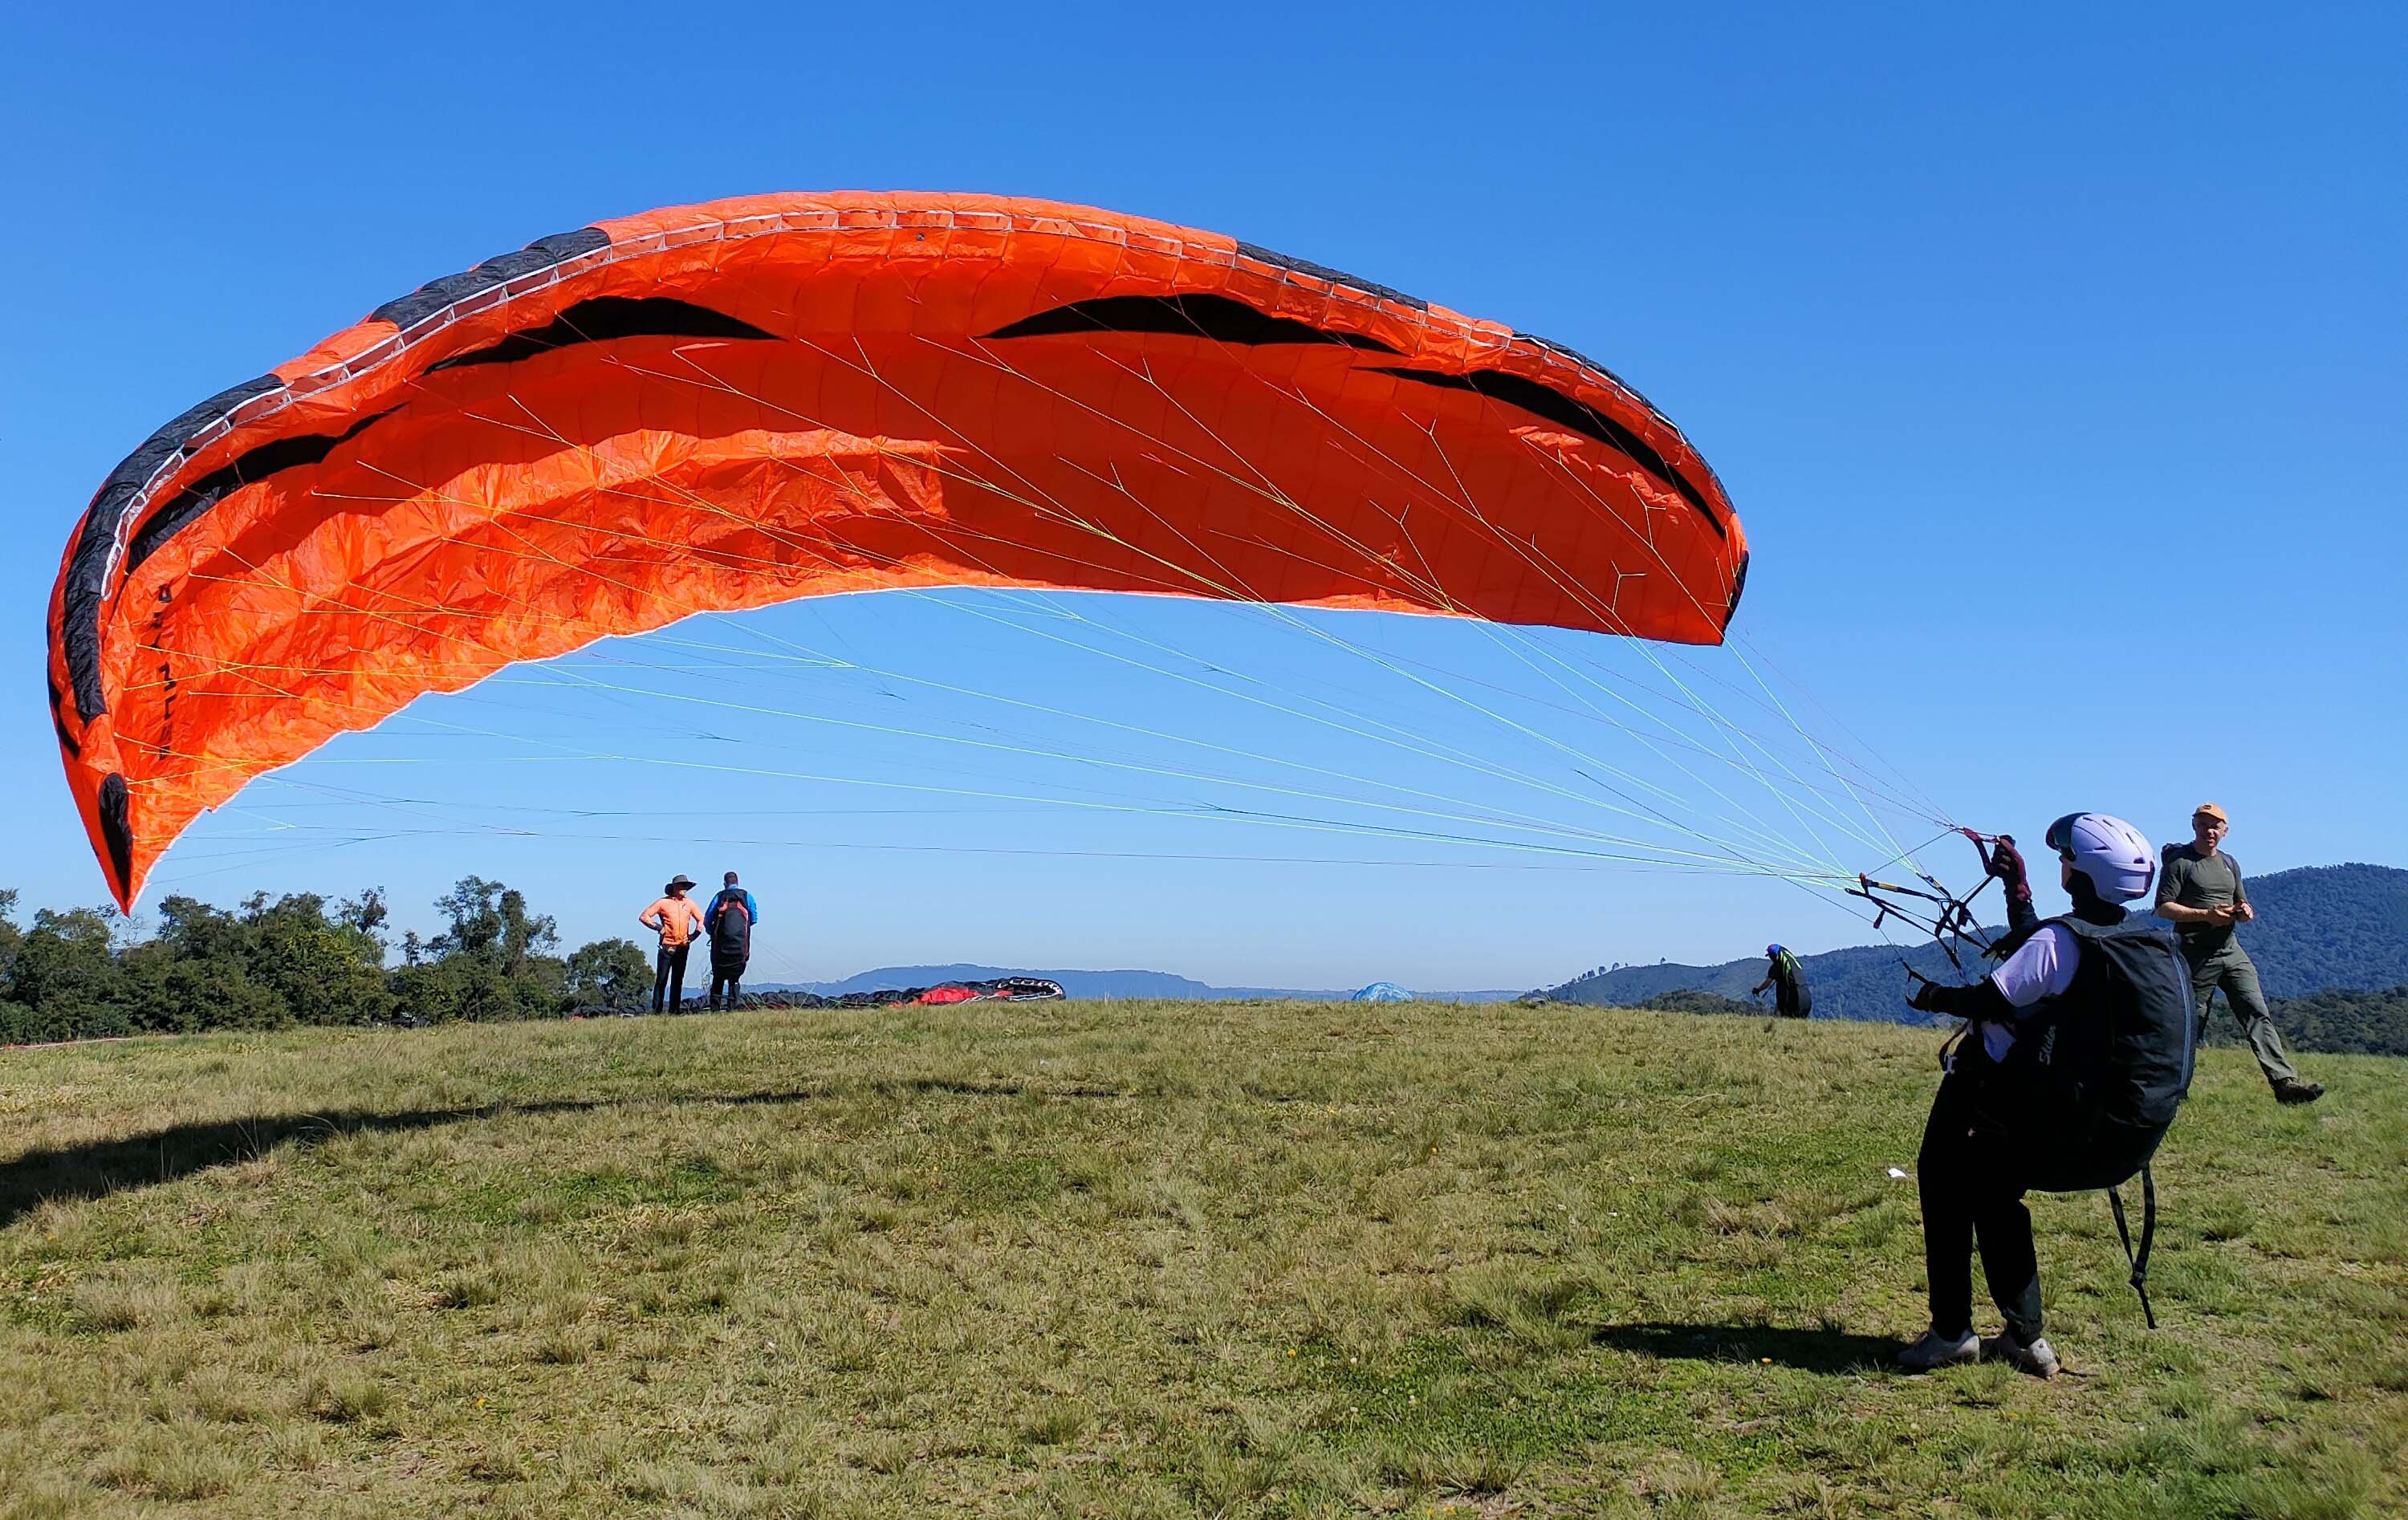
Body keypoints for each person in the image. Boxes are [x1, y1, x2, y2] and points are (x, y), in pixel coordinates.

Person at [1897, 812, 2194, 1378]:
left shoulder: (2063, 941)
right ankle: (2026, 1339)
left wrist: (1930, 994)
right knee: (1993, 1193)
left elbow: (1992, 997)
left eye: (2067, 861)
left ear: (2079, 876)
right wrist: (2017, 889)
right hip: (2074, 1122)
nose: (2063, 866)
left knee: (1944, 1179)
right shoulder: (2130, 941)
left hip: (1995, 1097)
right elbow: (2046, 956)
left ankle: (1952, 1332)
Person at [2155, 803, 2321, 1105]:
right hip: (2194, 955)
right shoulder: (2181, 863)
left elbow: (2242, 904)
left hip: (2231, 950)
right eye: (2204, 824)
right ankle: (2172, 1091)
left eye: (2216, 826)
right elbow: (2164, 907)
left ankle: (2285, 1084)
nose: (2210, 831)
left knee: (2257, 1011)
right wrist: (2206, 914)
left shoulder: (2230, 864)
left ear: (2225, 831)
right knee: (2193, 1022)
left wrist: (2243, 911)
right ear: (2194, 826)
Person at [639, 875, 706, 1012]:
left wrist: (694, 935)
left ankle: (674, 1010)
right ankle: (656, 1010)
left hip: (683, 946)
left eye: (686, 886)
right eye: (682, 886)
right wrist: (658, 927)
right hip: (667, 945)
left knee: (678, 979)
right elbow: (644, 916)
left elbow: (701, 920)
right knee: (662, 979)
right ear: (674, 887)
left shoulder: (690, 904)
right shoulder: (663, 903)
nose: (684, 889)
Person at [702, 871, 759, 1010]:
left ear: (724, 883)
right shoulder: (747, 896)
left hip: (720, 945)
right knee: (735, 978)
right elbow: (754, 919)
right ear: (737, 882)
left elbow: (707, 919)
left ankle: (715, 1009)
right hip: (740, 945)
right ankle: (732, 1007)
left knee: (718, 977)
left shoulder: (719, 896)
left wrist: (713, 933)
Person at [1963, 828, 2038, 935]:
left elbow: (2017, 858)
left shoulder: (2016, 865)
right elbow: (1989, 868)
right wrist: (1977, 841)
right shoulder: (2003, 867)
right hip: (2015, 909)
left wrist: (2001, 842)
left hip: (2023, 910)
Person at [1751, 944, 1812, 1018]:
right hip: (1805, 996)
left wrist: (1758, 990)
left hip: (1790, 998)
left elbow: (1767, 982)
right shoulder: (1792, 964)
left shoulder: (1776, 967)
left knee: (1784, 1018)